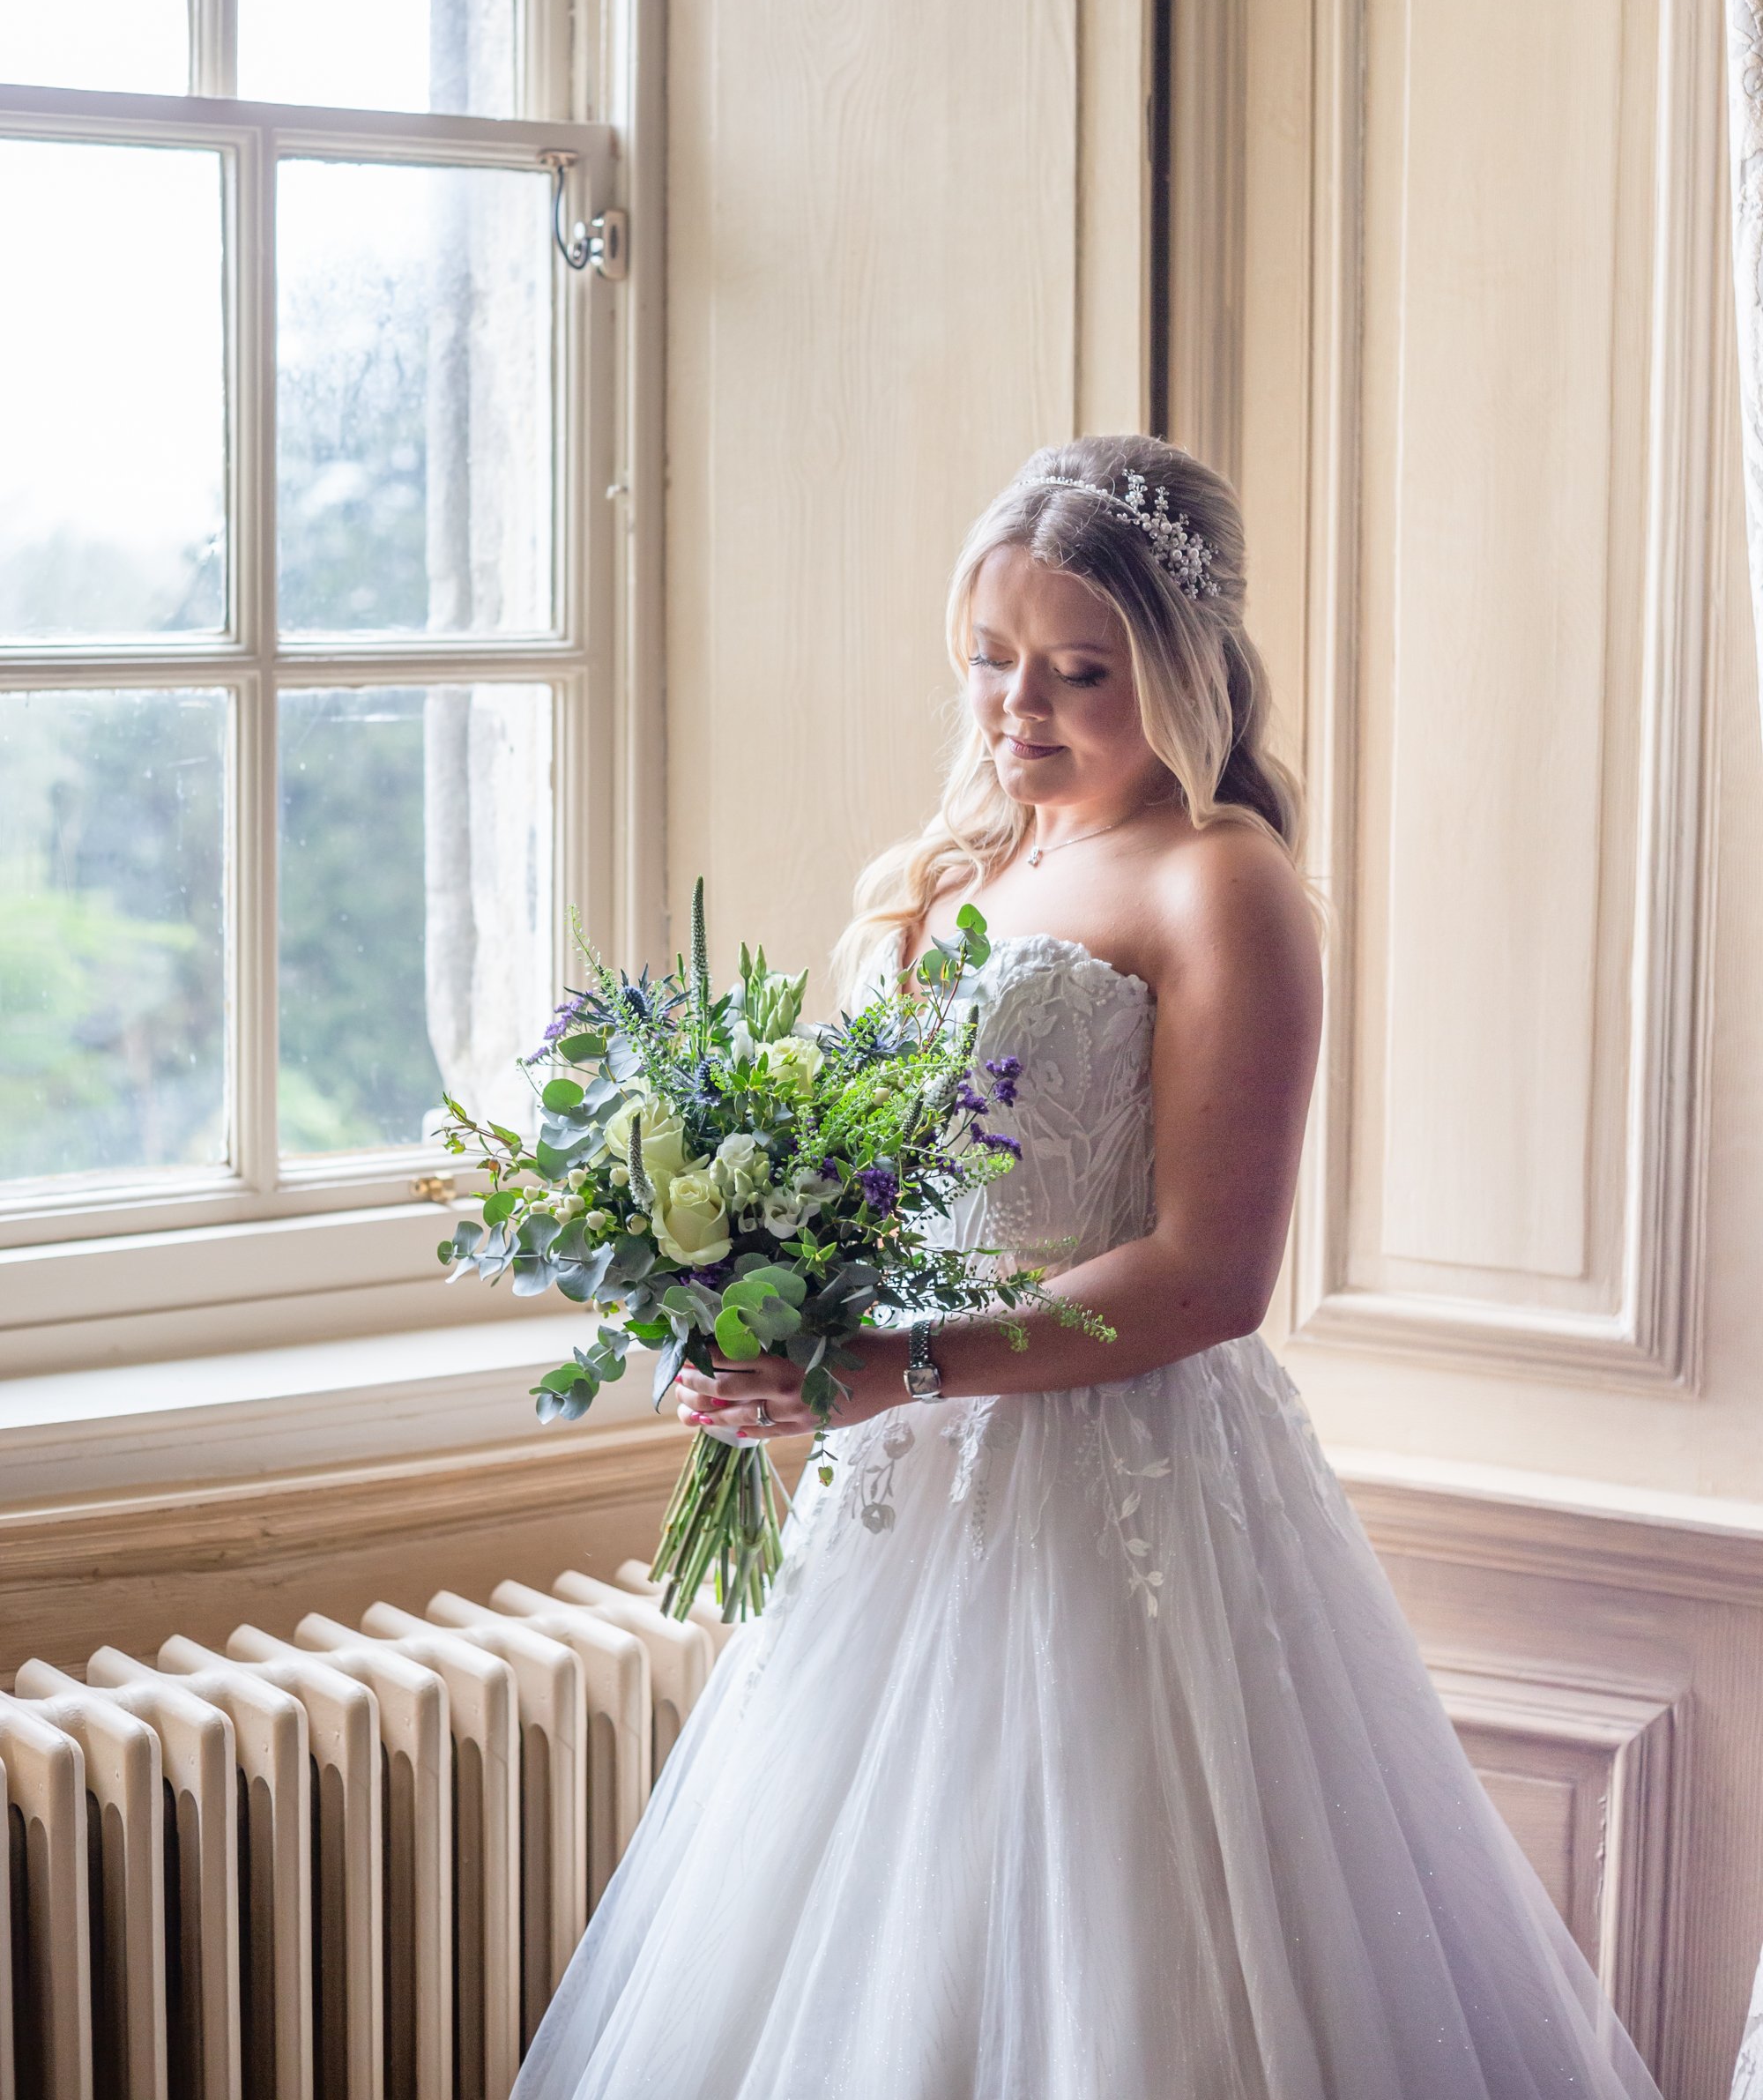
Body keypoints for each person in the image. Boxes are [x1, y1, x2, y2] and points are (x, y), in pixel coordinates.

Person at [514, 436, 1662, 2100]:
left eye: (1076, 670)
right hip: (902, 1484)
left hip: (1120, 1484)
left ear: (1182, 668)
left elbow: (1209, 1275)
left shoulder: (1225, 886)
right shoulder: (958, 872)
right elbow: (889, 1195)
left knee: (1129, 1935)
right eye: (990, 660)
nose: (1016, 708)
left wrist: (894, 1370)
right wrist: (771, 1326)